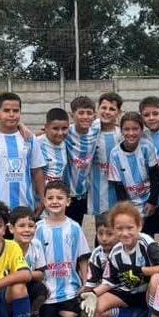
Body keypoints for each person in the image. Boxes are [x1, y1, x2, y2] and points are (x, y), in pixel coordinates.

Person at [82, 201, 159, 317]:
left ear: (139, 226)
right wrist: (92, 294)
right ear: (114, 229)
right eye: (119, 229)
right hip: (129, 292)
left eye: (130, 228)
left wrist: (143, 271)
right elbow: (109, 282)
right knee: (95, 311)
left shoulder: (146, 243)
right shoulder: (116, 252)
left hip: (149, 293)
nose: (125, 233)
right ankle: (137, 315)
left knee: (156, 279)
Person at [0, 92, 46, 212]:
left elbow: (37, 171)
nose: (11, 114)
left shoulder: (29, 138)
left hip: (24, 207)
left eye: (15, 111)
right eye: (6, 110)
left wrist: (43, 198)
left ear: (20, 113)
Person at [33, 181, 91, 317]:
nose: (55, 201)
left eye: (59, 198)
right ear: (44, 201)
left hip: (69, 288)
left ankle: (74, 306)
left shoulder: (74, 227)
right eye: (50, 198)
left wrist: (85, 284)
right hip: (47, 288)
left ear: (68, 201)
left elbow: (83, 258)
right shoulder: (38, 228)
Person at [108, 112, 159, 239]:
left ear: (141, 130)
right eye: (126, 129)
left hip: (148, 202)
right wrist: (126, 208)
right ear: (121, 130)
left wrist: (152, 201)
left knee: (147, 238)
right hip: (131, 203)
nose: (131, 133)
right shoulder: (115, 154)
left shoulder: (147, 147)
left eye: (135, 129)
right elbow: (118, 185)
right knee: (130, 237)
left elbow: (155, 176)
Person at [8, 206, 49, 317]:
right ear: (11, 228)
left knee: (41, 289)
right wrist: (22, 277)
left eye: (30, 226)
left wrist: (25, 275)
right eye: (21, 226)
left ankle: (33, 314)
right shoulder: (6, 248)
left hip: (29, 283)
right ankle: (11, 316)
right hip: (10, 288)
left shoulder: (36, 245)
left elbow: (41, 274)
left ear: (35, 228)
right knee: (15, 289)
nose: (27, 230)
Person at [65, 96, 99, 225]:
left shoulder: (96, 130)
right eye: (81, 113)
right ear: (72, 115)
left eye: (89, 113)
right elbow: (45, 133)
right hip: (66, 193)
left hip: (84, 192)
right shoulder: (65, 132)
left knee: (77, 227)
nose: (85, 117)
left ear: (94, 115)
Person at [89, 92, 123, 219]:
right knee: (101, 229)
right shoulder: (90, 133)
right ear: (98, 109)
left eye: (112, 109)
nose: (107, 112)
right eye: (104, 108)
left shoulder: (123, 134)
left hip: (119, 196)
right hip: (97, 197)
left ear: (119, 113)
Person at [37, 107, 71, 185]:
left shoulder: (67, 142)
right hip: (39, 192)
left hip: (58, 191)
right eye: (55, 128)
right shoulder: (37, 143)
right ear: (46, 127)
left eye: (64, 128)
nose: (60, 133)